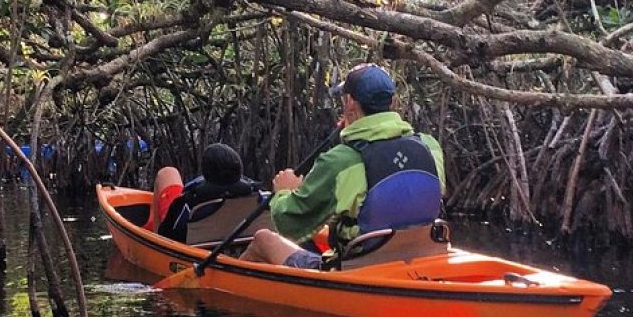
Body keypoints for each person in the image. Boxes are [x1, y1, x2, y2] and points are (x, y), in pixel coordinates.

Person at [239, 63, 445, 268]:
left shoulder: (340, 161)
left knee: (263, 239)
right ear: (392, 101)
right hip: (423, 257)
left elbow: (290, 223)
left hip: (360, 265)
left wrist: (284, 192)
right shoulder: (429, 146)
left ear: (349, 103)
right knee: (323, 232)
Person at [147, 143, 259, 241]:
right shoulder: (257, 196)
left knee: (167, 173)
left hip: (193, 251)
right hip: (240, 243)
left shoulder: (189, 201)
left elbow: (167, 235)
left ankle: (153, 239)